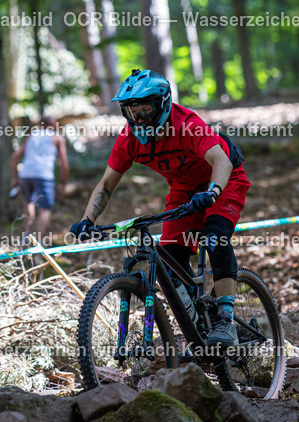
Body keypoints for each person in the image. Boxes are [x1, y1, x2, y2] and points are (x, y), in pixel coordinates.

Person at [70, 69, 250, 349]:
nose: (139, 118)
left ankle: (226, 320)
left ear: (163, 104)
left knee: (215, 236)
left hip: (223, 180)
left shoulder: (187, 125)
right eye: (132, 111)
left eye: (145, 109)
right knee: (170, 260)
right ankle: (199, 320)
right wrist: (87, 219)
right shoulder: (129, 139)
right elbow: (106, 184)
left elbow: (221, 160)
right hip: (183, 191)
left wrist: (213, 192)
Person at [10, 115, 69, 244]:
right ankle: (38, 240)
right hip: (44, 175)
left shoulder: (31, 135)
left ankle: (27, 235)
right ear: (53, 124)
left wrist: (15, 178)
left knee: (29, 203)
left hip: (25, 174)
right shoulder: (57, 137)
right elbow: (64, 163)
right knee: (45, 208)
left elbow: (14, 157)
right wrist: (63, 182)